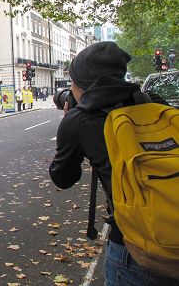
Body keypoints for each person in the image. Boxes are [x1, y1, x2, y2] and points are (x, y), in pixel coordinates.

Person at [48, 42, 175, 286]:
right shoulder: (154, 101)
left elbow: (63, 178)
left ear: (80, 85)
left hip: (136, 248)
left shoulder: (80, 120)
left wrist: (69, 124)